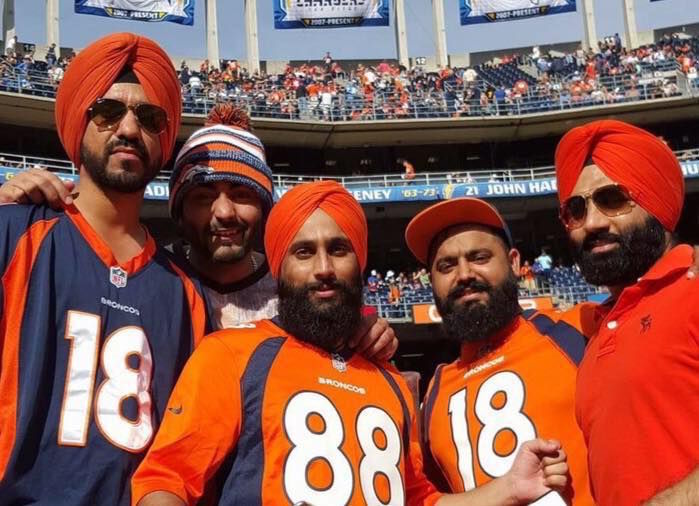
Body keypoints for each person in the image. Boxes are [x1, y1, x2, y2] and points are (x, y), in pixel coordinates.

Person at [132, 182, 570, 506]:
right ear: (279, 270)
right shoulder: (230, 355)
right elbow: (165, 482)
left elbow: (420, 501)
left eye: (338, 250)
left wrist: (508, 488)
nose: (324, 267)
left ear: (359, 264)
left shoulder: (392, 381)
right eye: (304, 253)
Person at [0, 103, 399, 360]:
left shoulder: (296, 287)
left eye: (241, 193)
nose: (223, 212)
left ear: (264, 206)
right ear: (178, 209)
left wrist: (366, 328)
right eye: (203, 196)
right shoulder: (152, 280)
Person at [0, 33, 209, 506]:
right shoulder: (16, 234)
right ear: (80, 120)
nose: (129, 129)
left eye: (149, 117)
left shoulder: (186, 292)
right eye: (108, 112)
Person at [404, 198, 594, 505]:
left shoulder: (581, 329)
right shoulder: (433, 395)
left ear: (515, 263)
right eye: (446, 266)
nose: (464, 274)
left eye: (479, 257)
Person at [555, 119, 699, 505]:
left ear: (656, 199)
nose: (594, 223)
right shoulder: (595, 331)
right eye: (576, 209)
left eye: (613, 199)